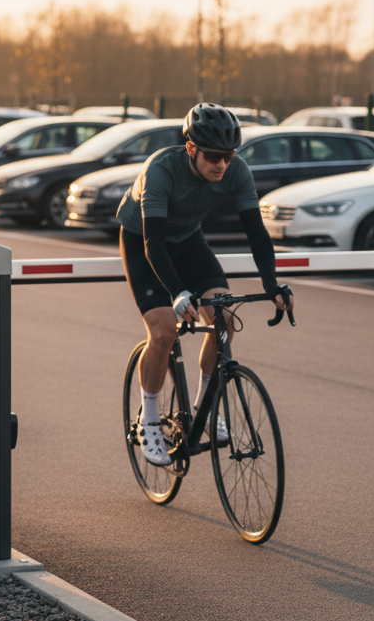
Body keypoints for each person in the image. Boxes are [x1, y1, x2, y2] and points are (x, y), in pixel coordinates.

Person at [116, 103, 294, 465]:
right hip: (144, 243)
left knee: (224, 320)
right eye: (214, 156)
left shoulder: (236, 171)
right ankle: (148, 419)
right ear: (192, 148)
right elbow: (154, 245)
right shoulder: (161, 170)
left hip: (189, 243)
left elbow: (256, 232)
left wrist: (272, 283)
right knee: (165, 331)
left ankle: (204, 409)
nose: (222, 165)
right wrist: (179, 292)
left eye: (228, 156)